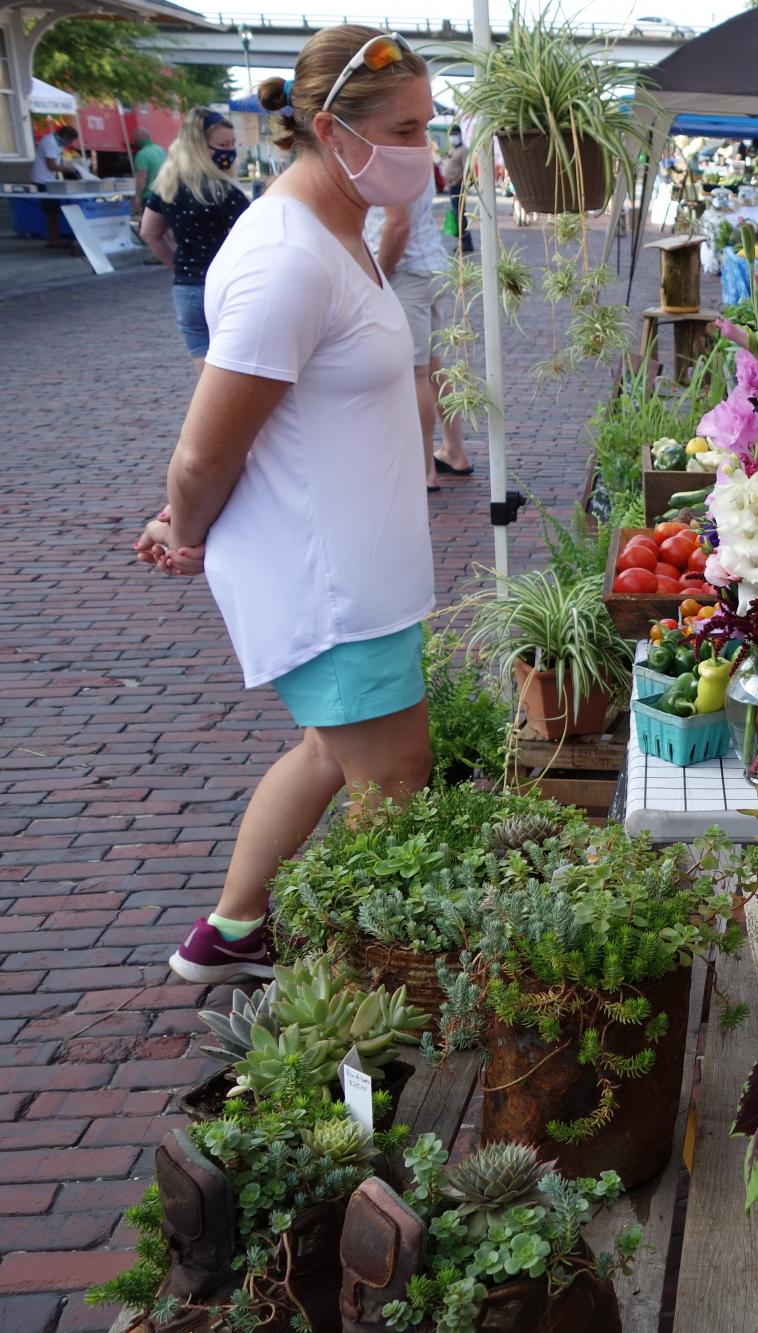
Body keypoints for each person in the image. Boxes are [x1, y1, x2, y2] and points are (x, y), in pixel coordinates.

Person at [134, 25, 438, 985]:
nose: (423, 149)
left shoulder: (333, 231)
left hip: (358, 571)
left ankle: (231, 929)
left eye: (427, 125)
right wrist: (182, 531)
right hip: (331, 581)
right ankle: (353, 985)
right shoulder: (287, 258)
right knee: (391, 777)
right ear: (326, 128)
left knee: (324, 752)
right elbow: (202, 451)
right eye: (404, 127)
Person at [366, 190, 473, 487]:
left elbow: (397, 225)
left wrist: (375, 278)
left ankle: (424, 469)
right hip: (430, 265)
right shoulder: (419, 151)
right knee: (434, 367)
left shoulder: (389, 160)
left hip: (406, 271)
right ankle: (454, 450)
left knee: (418, 373)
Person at [140, 110, 250, 361]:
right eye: (223, 145)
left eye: (232, 144)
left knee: (207, 374)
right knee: (235, 371)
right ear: (200, 146)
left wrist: (177, 265)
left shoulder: (167, 184)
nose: (230, 151)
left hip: (187, 287)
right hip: (226, 288)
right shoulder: (226, 193)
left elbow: (149, 232)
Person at [32, 124, 81, 248]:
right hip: (42, 180)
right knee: (52, 212)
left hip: (49, 180)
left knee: (53, 211)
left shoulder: (56, 142)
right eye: (70, 141)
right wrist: (68, 170)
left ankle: (54, 238)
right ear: (65, 136)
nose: (70, 144)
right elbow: (51, 165)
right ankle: (53, 239)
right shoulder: (50, 142)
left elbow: (56, 161)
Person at [441, 122, 472, 253]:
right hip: (451, 187)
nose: (453, 137)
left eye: (455, 134)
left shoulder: (464, 150)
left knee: (460, 215)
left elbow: (467, 169)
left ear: (460, 135)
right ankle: (461, 242)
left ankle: (466, 242)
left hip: (458, 187)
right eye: (451, 134)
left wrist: (456, 182)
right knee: (456, 215)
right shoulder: (452, 149)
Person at [129, 129, 168, 230]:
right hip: (166, 193)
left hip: (150, 196)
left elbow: (142, 178)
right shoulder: (161, 150)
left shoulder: (142, 155)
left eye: (135, 140)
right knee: (164, 228)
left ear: (138, 140)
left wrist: (137, 197)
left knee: (149, 230)